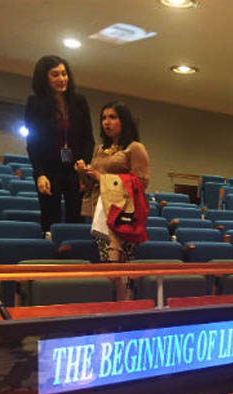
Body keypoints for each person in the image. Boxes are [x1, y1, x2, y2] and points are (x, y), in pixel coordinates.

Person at [77, 101, 149, 299]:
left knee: (119, 264)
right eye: (103, 118)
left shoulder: (135, 148)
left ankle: (121, 306)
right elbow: (90, 186)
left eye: (112, 117)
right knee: (105, 262)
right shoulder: (99, 149)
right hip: (100, 211)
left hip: (122, 213)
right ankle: (110, 305)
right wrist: (83, 173)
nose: (106, 122)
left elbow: (141, 183)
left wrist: (103, 178)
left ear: (123, 121)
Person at [25, 55, 95, 233]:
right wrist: (40, 174)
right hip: (49, 169)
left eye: (64, 73)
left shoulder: (79, 101)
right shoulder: (35, 103)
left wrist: (84, 164)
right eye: (55, 75)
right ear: (44, 78)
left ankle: (73, 249)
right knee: (50, 217)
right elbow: (33, 143)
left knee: (76, 218)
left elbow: (89, 139)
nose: (62, 79)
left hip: (75, 170)